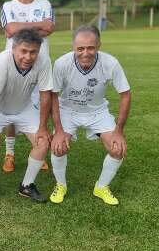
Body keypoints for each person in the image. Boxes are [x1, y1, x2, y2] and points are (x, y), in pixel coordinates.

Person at [49, 25, 131, 205]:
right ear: (73, 47)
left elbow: (125, 95)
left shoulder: (110, 63)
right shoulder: (62, 63)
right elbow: (53, 95)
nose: (85, 52)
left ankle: (101, 187)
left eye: (90, 47)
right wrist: (59, 130)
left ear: (99, 45)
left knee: (117, 148)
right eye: (80, 48)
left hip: (97, 112)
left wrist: (119, 130)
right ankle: (60, 185)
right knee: (59, 146)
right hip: (68, 110)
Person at [0, 29, 53, 205]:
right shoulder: (0, 62)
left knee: (43, 142)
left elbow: (45, 95)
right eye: (24, 51)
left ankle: (27, 185)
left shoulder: (43, 61)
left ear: (39, 51)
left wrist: (43, 127)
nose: (28, 57)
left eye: (33, 52)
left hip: (25, 109)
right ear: (14, 48)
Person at [0, 0, 55, 172]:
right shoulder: (7, 5)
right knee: (12, 108)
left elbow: (49, 28)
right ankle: (10, 154)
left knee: (42, 105)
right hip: (14, 66)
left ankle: (39, 152)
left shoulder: (45, 4)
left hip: (40, 63)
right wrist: (37, 25)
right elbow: (10, 30)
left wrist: (21, 25)